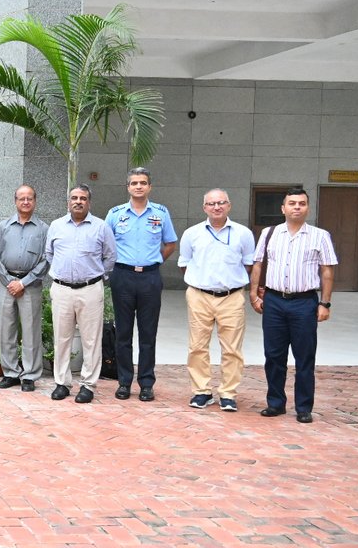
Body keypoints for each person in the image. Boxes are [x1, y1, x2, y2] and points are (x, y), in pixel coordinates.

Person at [248, 188, 337, 424]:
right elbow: (257, 265)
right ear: (283, 208)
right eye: (292, 203)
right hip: (274, 301)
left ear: (308, 208)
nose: (297, 207)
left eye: (301, 203)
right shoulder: (269, 234)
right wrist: (253, 294)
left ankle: (304, 407)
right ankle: (275, 403)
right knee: (274, 356)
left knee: (304, 357)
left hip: (304, 302)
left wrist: (324, 303)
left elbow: (327, 271)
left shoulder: (320, 236)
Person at [177, 189, 256, 412]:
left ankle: (228, 394)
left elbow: (249, 264)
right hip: (199, 295)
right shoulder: (192, 234)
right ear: (204, 208)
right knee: (197, 346)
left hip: (231, 297)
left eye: (221, 203)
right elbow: (185, 264)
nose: (216, 207)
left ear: (229, 205)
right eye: (211, 204)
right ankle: (201, 391)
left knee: (232, 349)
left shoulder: (243, 234)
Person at [105, 166, 178, 402]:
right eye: (134, 183)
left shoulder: (161, 213)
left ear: (149, 186)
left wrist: (152, 263)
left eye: (143, 182)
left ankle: (146, 383)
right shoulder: (115, 214)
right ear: (127, 187)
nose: (138, 186)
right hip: (122, 276)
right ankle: (124, 382)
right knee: (123, 334)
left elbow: (169, 244)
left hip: (149, 278)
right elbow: (105, 245)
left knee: (148, 334)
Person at [45, 184, 116, 403]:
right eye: (74, 198)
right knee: (62, 338)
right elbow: (49, 254)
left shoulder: (101, 227)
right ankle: (62, 382)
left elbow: (110, 256)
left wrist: (95, 277)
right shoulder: (56, 226)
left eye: (83, 198)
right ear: (68, 201)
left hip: (90, 290)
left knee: (91, 340)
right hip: (62, 289)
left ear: (89, 202)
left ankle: (88, 385)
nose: (78, 201)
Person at [0, 184, 49, 392]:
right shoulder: (4, 226)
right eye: (21, 198)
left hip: (30, 286)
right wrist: (9, 282)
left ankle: (30, 375)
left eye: (29, 198)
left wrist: (23, 282)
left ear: (35, 201)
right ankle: (10, 373)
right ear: (15, 201)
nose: (25, 202)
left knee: (31, 330)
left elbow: (46, 259)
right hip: (6, 284)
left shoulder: (43, 229)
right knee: (6, 330)